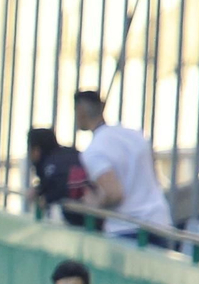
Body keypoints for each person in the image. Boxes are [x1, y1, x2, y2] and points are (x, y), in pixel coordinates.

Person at [73, 90, 173, 244]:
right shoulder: (135, 135)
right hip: (159, 222)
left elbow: (114, 194)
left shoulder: (93, 151)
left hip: (127, 229)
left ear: (80, 111)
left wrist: (94, 202)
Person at [25, 127, 93, 229]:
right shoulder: (67, 154)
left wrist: (46, 199)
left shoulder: (50, 165)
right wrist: (39, 189)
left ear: (36, 150)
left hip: (86, 220)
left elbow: (61, 184)